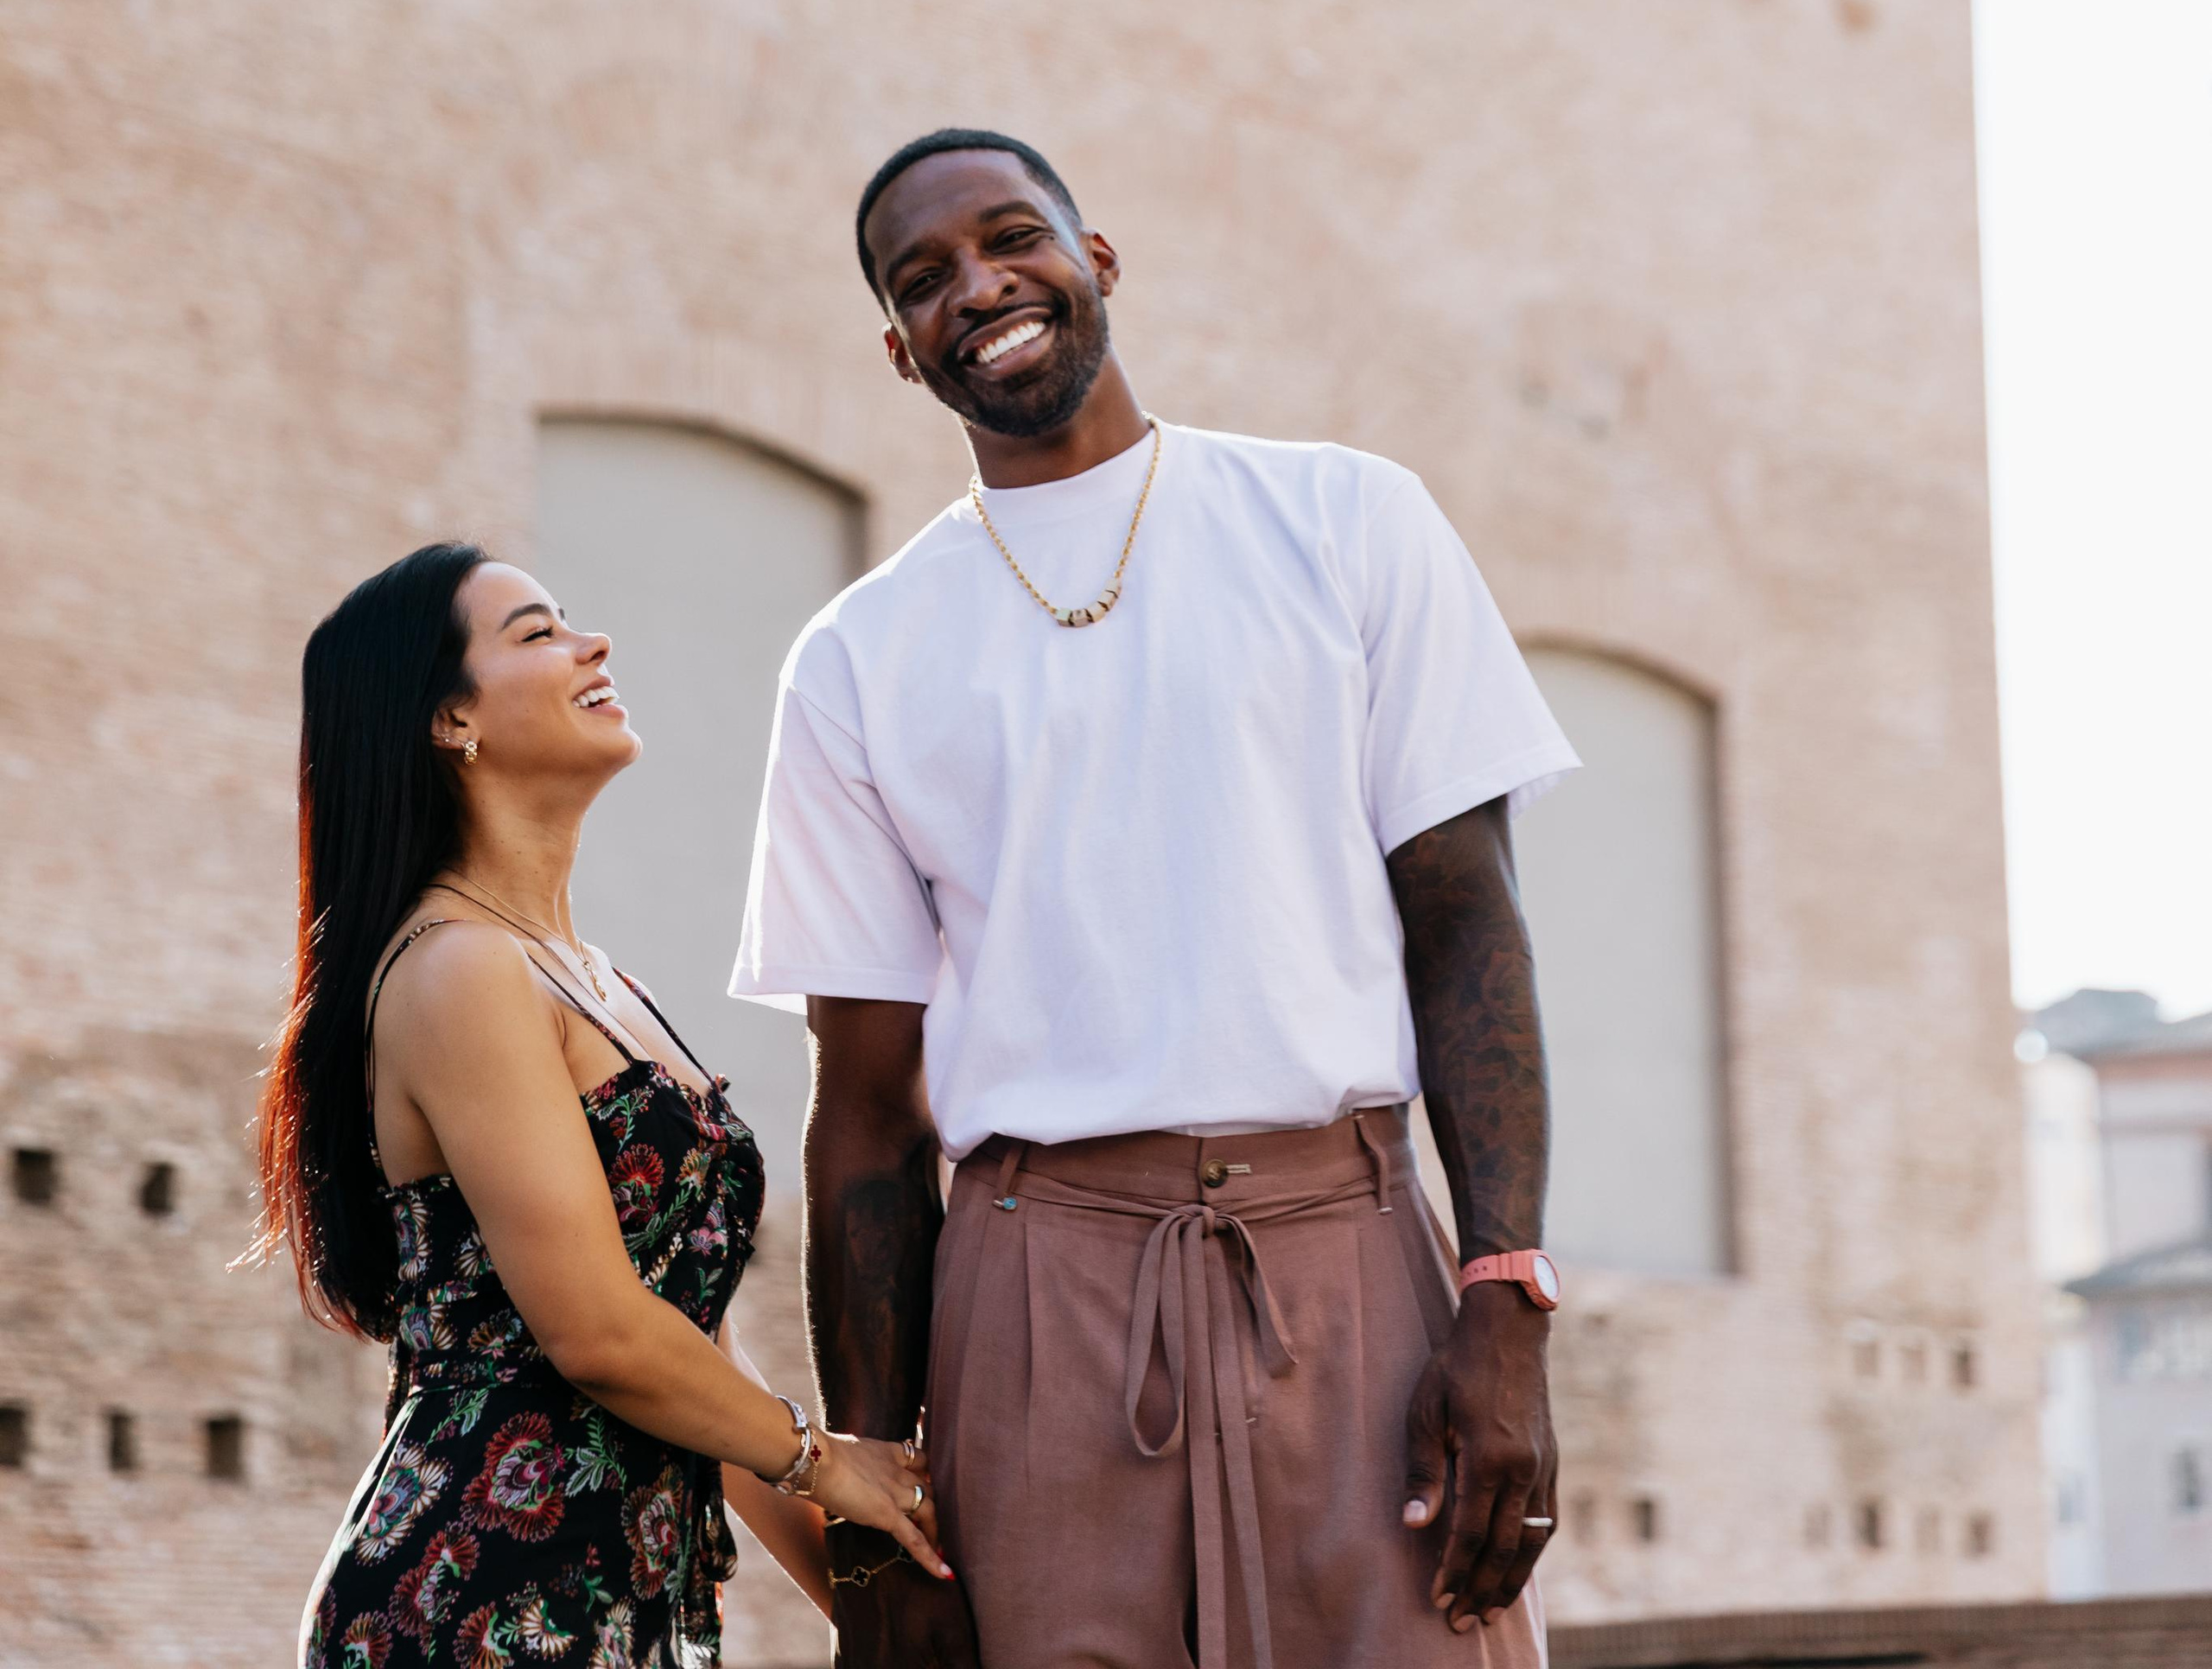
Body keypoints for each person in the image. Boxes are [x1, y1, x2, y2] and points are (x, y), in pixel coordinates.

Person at [733, 130, 1578, 1669]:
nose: (980, 288)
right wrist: (878, 1511)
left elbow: (1471, 928)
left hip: (1350, 1266)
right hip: (1038, 1305)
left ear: (1096, 257)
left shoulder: (1346, 520)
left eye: (1011, 240)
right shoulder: (859, 659)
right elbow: (863, 1114)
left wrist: (1504, 1298)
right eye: (925, 281)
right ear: (901, 355)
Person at [261, 539, 951, 1668]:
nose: (595, 642)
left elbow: (698, 1366)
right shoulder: (455, 968)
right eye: (536, 634)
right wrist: (832, 1462)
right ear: (449, 721)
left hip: (616, 1617)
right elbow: (597, 1334)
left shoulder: (596, 981)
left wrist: (873, 1613)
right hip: (473, 1611)